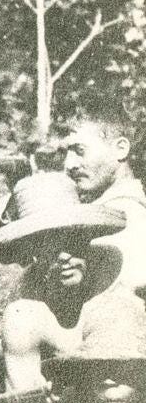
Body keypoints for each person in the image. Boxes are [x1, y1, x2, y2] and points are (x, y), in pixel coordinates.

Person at [0, 172, 127, 391]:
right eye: (49, 249)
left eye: (72, 242)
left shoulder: (111, 264)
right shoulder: (29, 288)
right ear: (33, 252)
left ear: (86, 237)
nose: (63, 257)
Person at [57, 113, 146, 295]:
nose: (69, 164)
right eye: (66, 153)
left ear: (120, 149)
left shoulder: (127, 218)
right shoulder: (103, 209)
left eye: (80, 151)